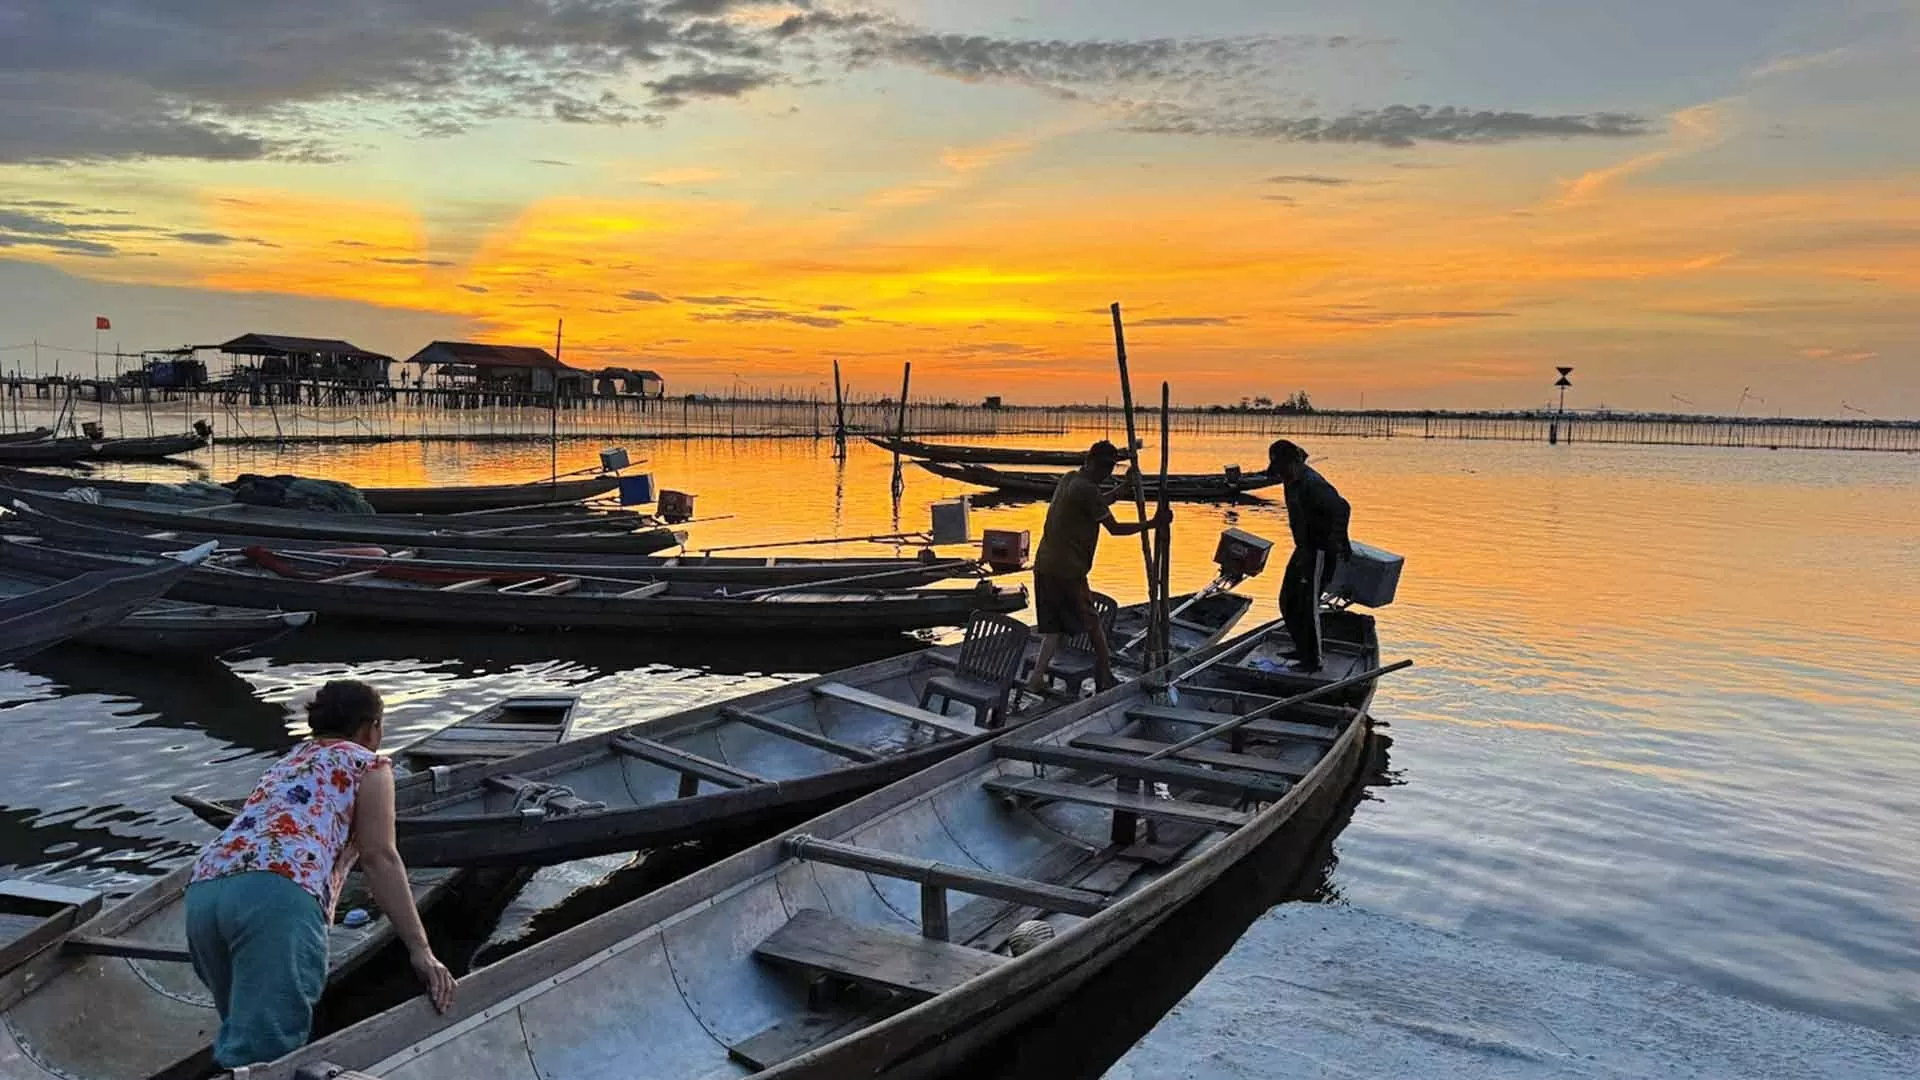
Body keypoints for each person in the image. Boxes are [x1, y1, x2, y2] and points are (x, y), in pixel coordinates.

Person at [184, 680, 455, 1069]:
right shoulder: (369, 764)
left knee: (241, 1041)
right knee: (269, 1057)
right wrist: (420, 949)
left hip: (204, 890)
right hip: (277, 894)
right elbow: (380, 857)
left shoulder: (289, 761)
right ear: (371, 728)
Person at [1024, 439, 1171, 697]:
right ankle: (1105, 677)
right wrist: (1152, 524)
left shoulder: (1070, 479)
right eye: (1102, 466)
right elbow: (1114, 528)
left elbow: (1098, 503)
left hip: (1045, 564)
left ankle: (1036, 678)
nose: (1106, 472)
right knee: (1093, 625)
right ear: (1089, 461)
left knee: (1053, 628)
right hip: (1067, 570)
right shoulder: (1086, 489)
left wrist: (1124, 487)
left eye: (1110, 467)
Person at [1267, 439, 1353, 673]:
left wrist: (1341, 540)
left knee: (1307, 604)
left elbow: (1342, 508)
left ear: (1294, 462)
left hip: (1320, 550)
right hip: (1304, 548)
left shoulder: (1312, 484)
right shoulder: (1291, 481)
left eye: (1282, 468)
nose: (1280, 475)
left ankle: (1313, 660)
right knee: (1287, 600)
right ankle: (1302, 649)